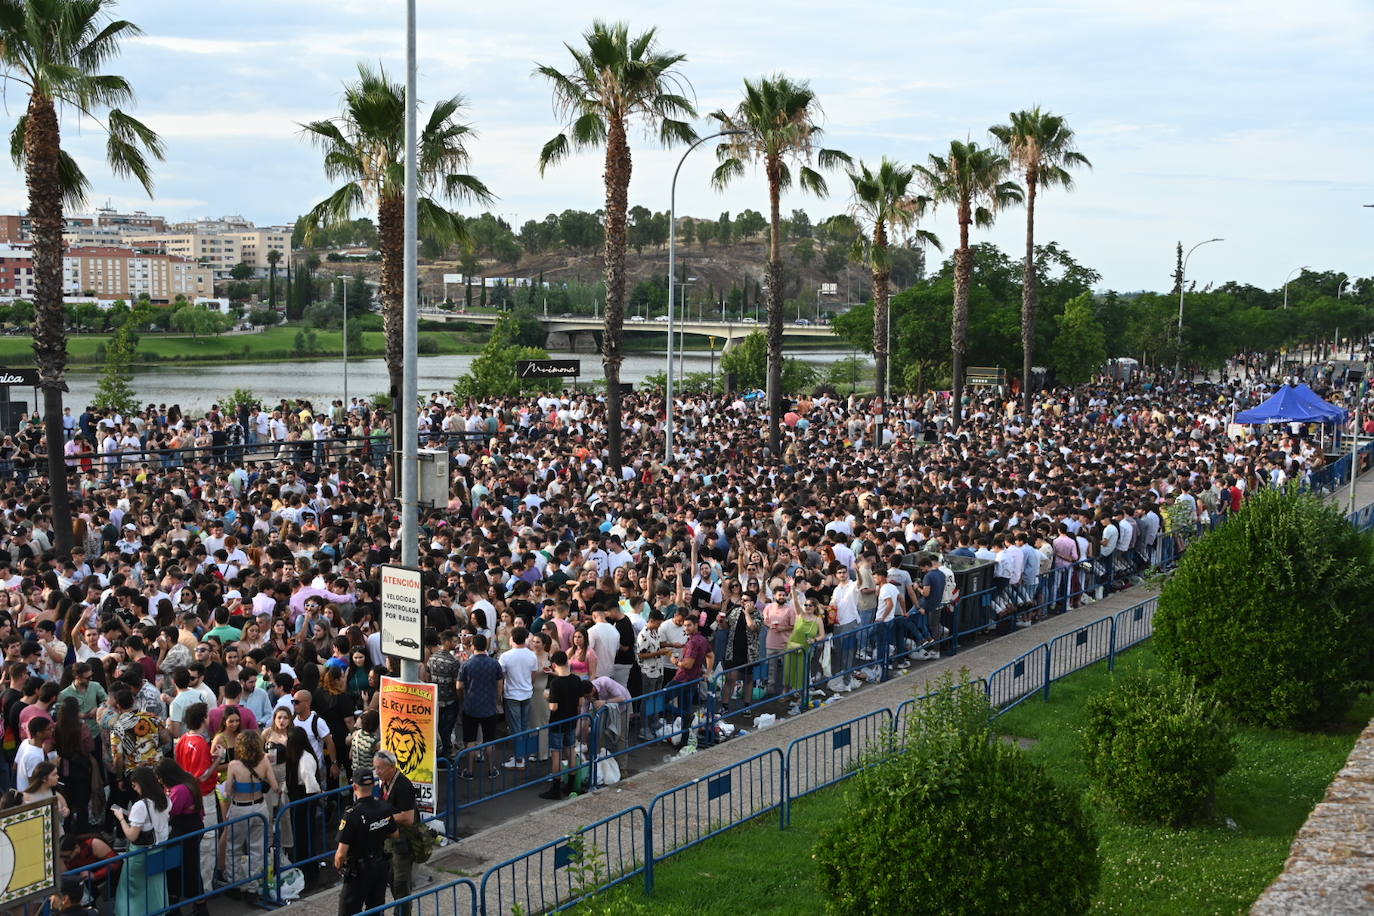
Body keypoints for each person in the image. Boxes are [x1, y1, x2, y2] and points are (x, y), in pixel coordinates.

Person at [333, 767, 396, 916]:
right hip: (380, 866)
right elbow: (395, 833)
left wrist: (338, 866)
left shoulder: (352, 814)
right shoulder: (384, 808)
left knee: (347, 911)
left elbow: (341, 854)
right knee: (375, 909)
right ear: (373, 785)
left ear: (354, 787)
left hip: (359, 872)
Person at [222, 730, 276, 898]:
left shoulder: (233, 766)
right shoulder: (265, 763)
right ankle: (253, 887)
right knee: (257, 849)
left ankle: (234, 884)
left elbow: (228, 791)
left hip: (240, 808)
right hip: (259, 808)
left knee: (234, 847)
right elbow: (275, 787)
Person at [113, 765, 170, 916]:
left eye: (134, 784)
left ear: (141, 783)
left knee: (131, 888)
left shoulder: (140, 806)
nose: (134, 788)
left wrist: (121, 819)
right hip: (160, 849)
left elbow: (131, 835)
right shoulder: (164, 799)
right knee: (155, 885)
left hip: (140, 854)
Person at [156, 758, 207, 916]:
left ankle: (177, 906)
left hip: (183, 832)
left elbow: (171, 812)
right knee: (190, 867)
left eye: (160, 777)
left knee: (178, 868)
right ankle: (198, 906)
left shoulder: (179, 790)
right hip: (193, 828)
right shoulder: (189, 781)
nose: (159, 781)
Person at [373, 749, 417, 915]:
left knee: (401, 884)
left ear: (392, 767)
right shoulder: (385, 782)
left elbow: (408, 817)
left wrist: (382, 817)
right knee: (391, 880)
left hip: (403, 843)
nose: (377, 772)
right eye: (375, 768)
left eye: (380, 768)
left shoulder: (403, 785)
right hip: (390, 841)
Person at [456, 634, 502, 779]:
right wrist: (496, 700)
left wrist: (463, 698)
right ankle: (491, 769)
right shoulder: (495, 663)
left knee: (470, 740)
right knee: (489, 740)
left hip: (470, 706)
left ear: (473, 646)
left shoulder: (466, 665)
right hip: (489, 706)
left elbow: (459, 686)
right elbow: (500, 685)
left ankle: (469, 771)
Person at [539, 651, 582, 800]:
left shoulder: (555, 683)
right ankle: (571, 784)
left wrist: (547, 696)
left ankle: (555, 788)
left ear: (554, 665)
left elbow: (553, 707)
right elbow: (581, 702)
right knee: (570, 750)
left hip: (557, 722)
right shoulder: (576, 679)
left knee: (556, 753)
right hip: (572, 720)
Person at [499, 627, 537, 769]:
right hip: (526, 693)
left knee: (516, 729)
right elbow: (533, 676)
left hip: (511, 695)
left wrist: (500, 694)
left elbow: (501, 678)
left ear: (512, 638)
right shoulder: (531, 655)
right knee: (524, 725)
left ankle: (519, 759)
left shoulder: (505, 656)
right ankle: (522, 756)